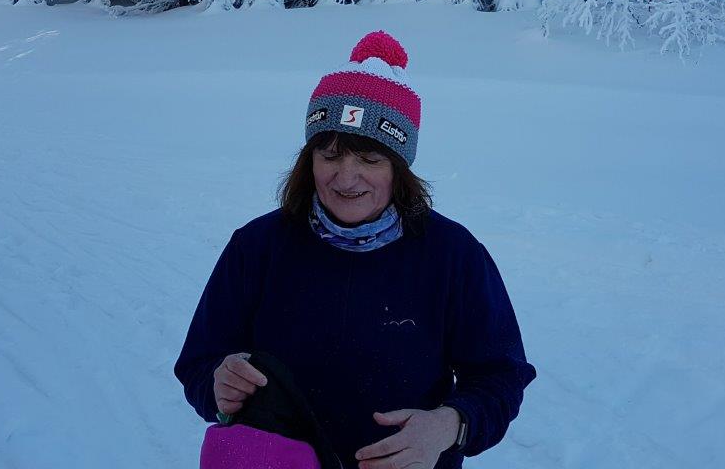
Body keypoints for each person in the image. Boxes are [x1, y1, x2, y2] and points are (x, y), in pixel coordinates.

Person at [174, 30, 536, 469]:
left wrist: (451, 423)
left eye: (369, 160)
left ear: (399, 169)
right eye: (329, 155)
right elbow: (200, 361)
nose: (346, 180)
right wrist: (216, 383)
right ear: (308, 160)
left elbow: (501, 375)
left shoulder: (453, 255)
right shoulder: (257, 246)